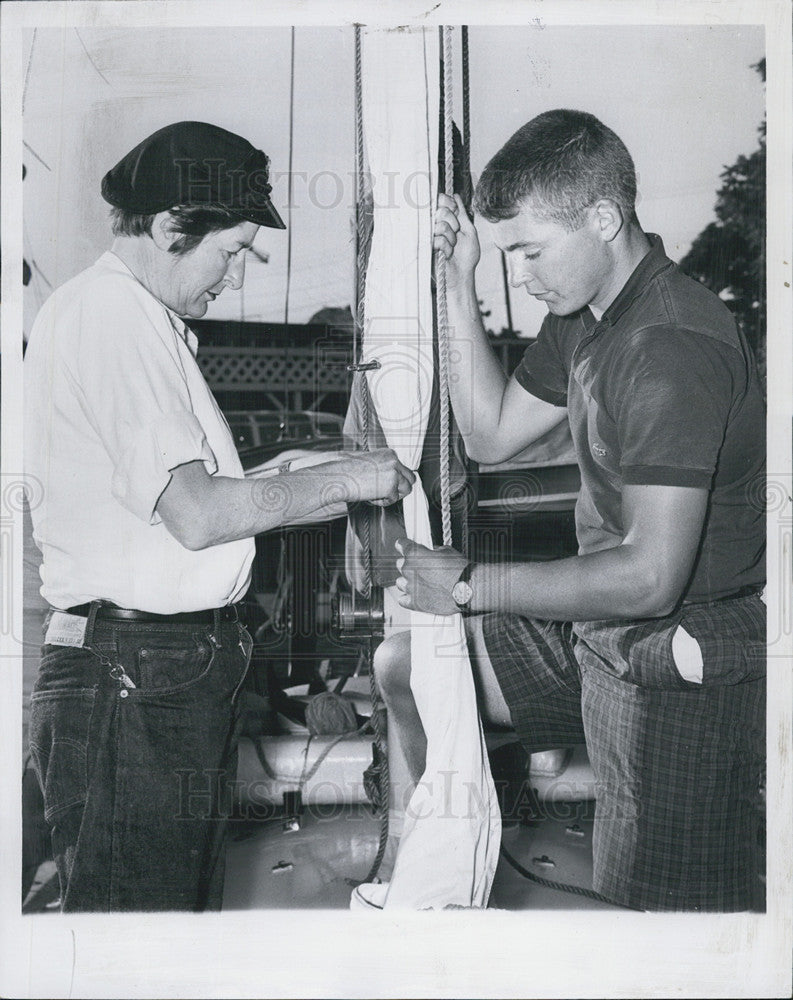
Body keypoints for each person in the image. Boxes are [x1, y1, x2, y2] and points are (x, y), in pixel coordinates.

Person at [377, 109, 766, 911]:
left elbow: (649, 576)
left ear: (602, 218)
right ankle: (411, 870)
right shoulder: (586, 318)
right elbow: (486, 434)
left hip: (675, 652)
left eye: (529, 250)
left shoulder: (665, 346)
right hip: (603, 636)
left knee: (650, 928)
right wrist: (457, 281)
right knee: (408, 667)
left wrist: (467, 586)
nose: (519, 275)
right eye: (509, 253)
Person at [24, 121, 414, 912]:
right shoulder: (112, 317)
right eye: (230, 250)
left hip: (153, 670)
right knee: (137, 944)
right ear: (171, 226)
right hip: (135, 675)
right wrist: (352, 475)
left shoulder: (138, 320)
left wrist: (341, 480)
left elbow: (210, 492)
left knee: (168, 924)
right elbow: (201, 516)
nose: (234, 277)